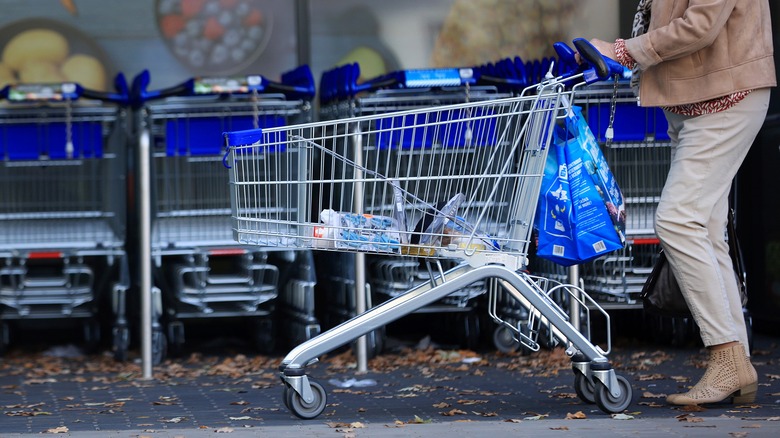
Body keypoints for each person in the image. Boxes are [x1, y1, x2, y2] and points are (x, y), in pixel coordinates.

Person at [586, 0, 775, 406]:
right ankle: (737, 361)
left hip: (725, 97)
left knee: (677, 219)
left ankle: (726, 358)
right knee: (705, 227)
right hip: (698, 98)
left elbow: (700, 25)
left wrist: (622, 51)